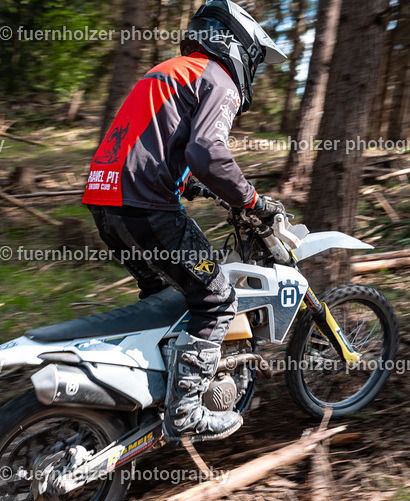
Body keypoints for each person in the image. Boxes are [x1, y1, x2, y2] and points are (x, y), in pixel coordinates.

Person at [81, 0, 287, 443]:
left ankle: (144, 391)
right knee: (215, 298)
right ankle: (185, 412)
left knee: (163, 299)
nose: (255, 68)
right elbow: (207, 151)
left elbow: (154, 142)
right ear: (239, 45)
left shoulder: (168, 69)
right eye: (256, 59)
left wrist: (193, 186)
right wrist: (250, 200)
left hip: (104, 200)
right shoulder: (219, 78)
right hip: (145, 208)